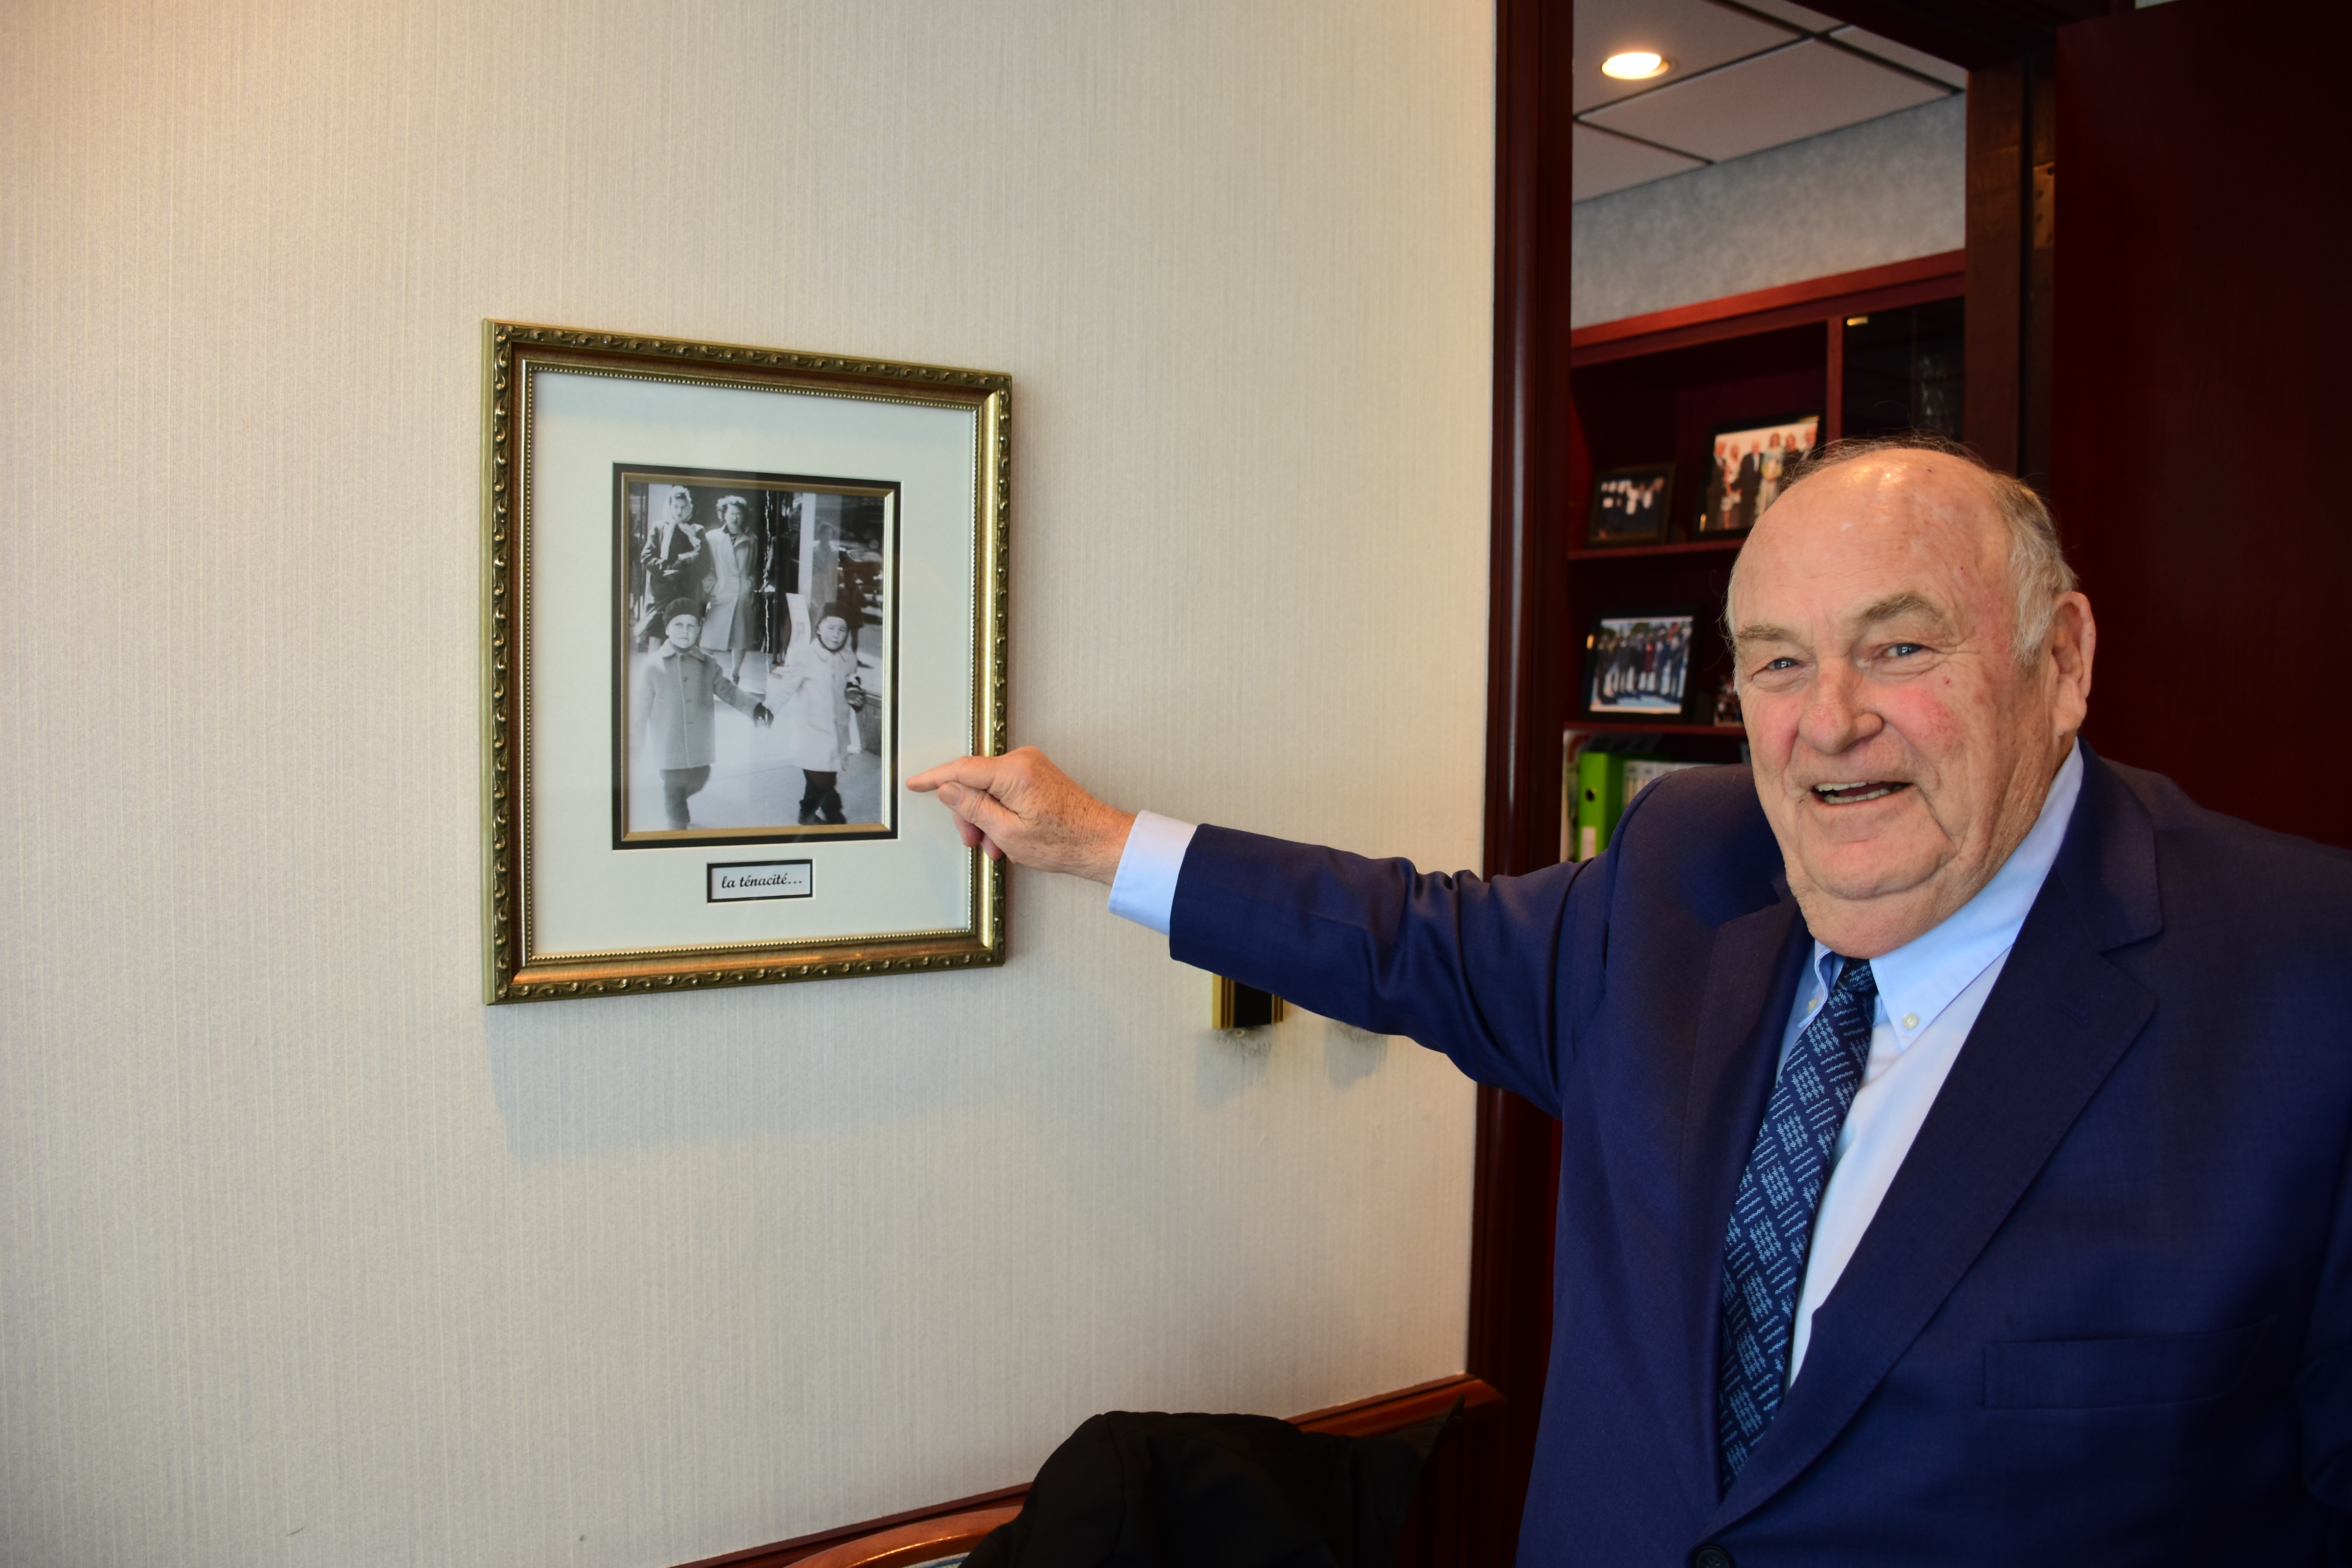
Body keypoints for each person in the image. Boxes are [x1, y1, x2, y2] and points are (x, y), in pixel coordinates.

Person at [907, 437, 2352, 1563]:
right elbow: (1410, 936)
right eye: (1776, 661)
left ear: (2063, 661)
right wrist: (1097, 842)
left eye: (1900, 646)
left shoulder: (2302, 980)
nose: (1827, 718)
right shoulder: (1685, 866)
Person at [632, 599, 771, 830]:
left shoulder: (708, 664)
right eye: (679, 625)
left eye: (691, 626)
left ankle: (677, 802)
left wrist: (755, 708)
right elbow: (640, 708)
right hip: (668, 744)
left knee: (700, 778)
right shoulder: (652, 666)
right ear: (667, 629)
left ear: (698, 630)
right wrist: (634, 742)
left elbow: (729, 690)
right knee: (674, 792)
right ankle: (677, 828)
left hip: (699, 744)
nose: (685, 631)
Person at [770, 603, 866, 825]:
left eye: (842, 630)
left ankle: (807, 814)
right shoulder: (804, 656)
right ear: (819, 629)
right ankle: (834, 817)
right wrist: (767, 710)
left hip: (836, 732)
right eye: (831, 628)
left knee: (823, 778)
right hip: (811, 732)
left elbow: (852, 679)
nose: (837, 635)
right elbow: (786, 687)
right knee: (823, 780)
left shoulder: (848, 658)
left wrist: (855, 693)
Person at [699, 494, 761, 682]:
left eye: (739, 514)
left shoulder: (751, 539)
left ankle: (735, 672)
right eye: (731, 514)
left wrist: (749, 586)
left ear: (744, 517)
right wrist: (713, 588)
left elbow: (754, 568)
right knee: (708, 640)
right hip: (720, 595)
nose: (735, 518)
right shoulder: (712, 538)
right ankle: (708, 673)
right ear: (724, 516)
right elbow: (706, 567)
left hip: (741, 595)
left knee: (740, 638)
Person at [639, 486, 707, 646]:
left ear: (689, 508)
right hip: (661, 592)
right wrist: (665, 568)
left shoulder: (697, 531)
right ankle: (655, 670)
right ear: (669, 507)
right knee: (657, 634)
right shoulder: (659, 528)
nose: (679, 511)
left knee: (683, 636)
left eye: (683, 507)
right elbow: (646, 557)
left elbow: (705, 563)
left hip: (685, 591)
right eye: (676, 507)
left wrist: (682, 572)